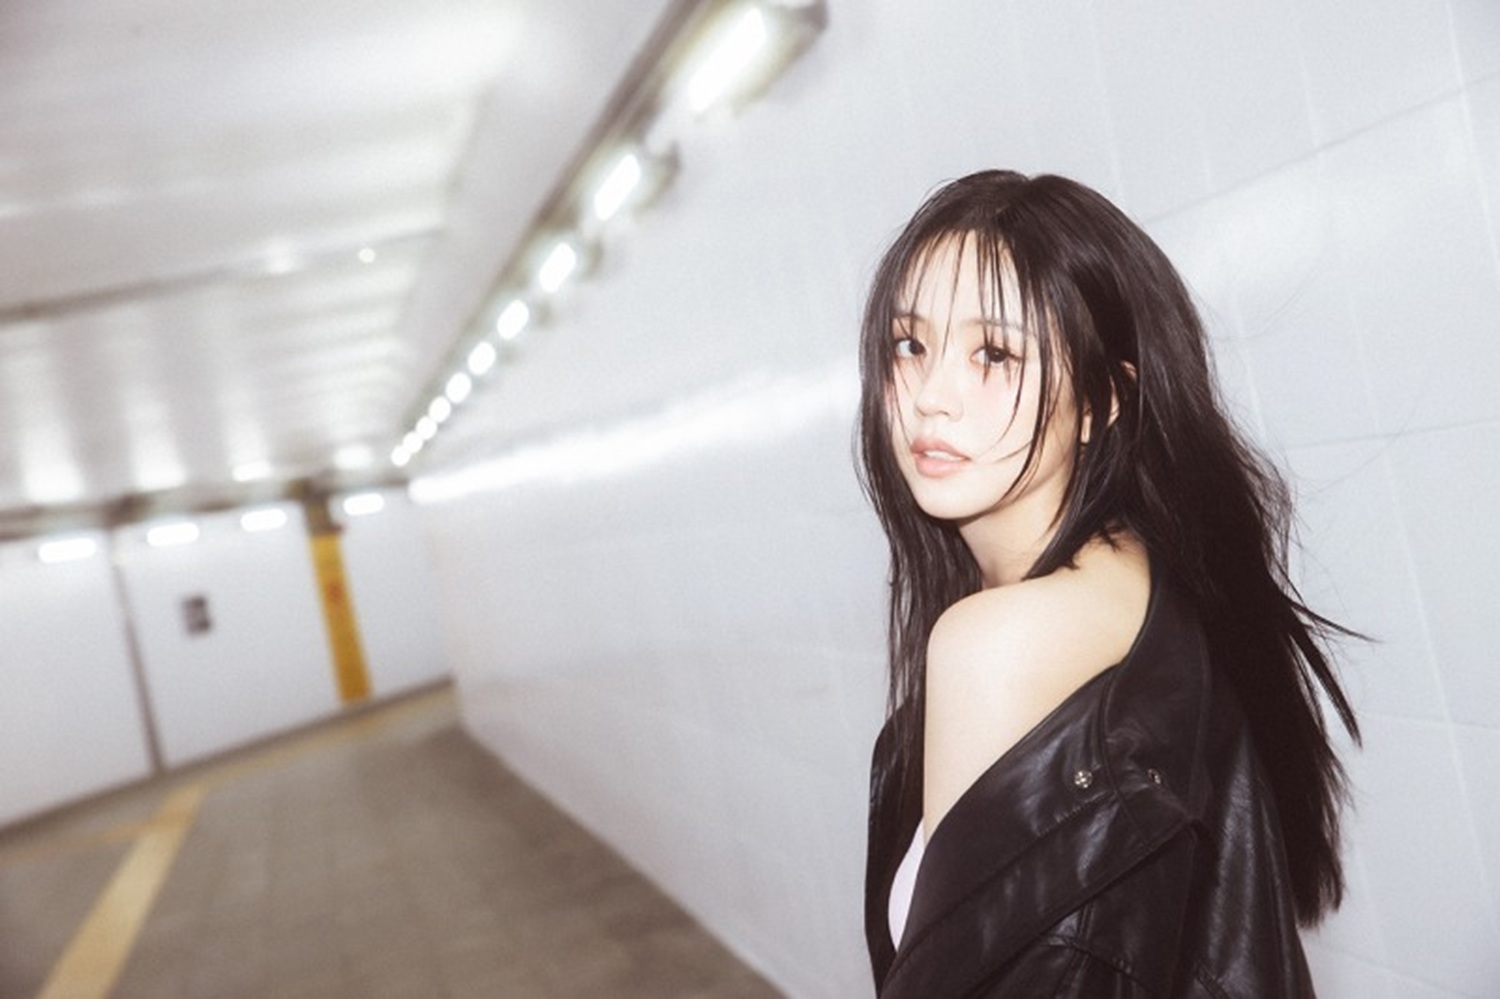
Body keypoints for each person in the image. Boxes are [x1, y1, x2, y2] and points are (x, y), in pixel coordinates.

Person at [857, 170, 1358, 997]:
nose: (931, 398)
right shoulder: (1147, 583)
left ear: (1101, 400)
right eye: (911, 344)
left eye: (994, 354)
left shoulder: (999, 643)